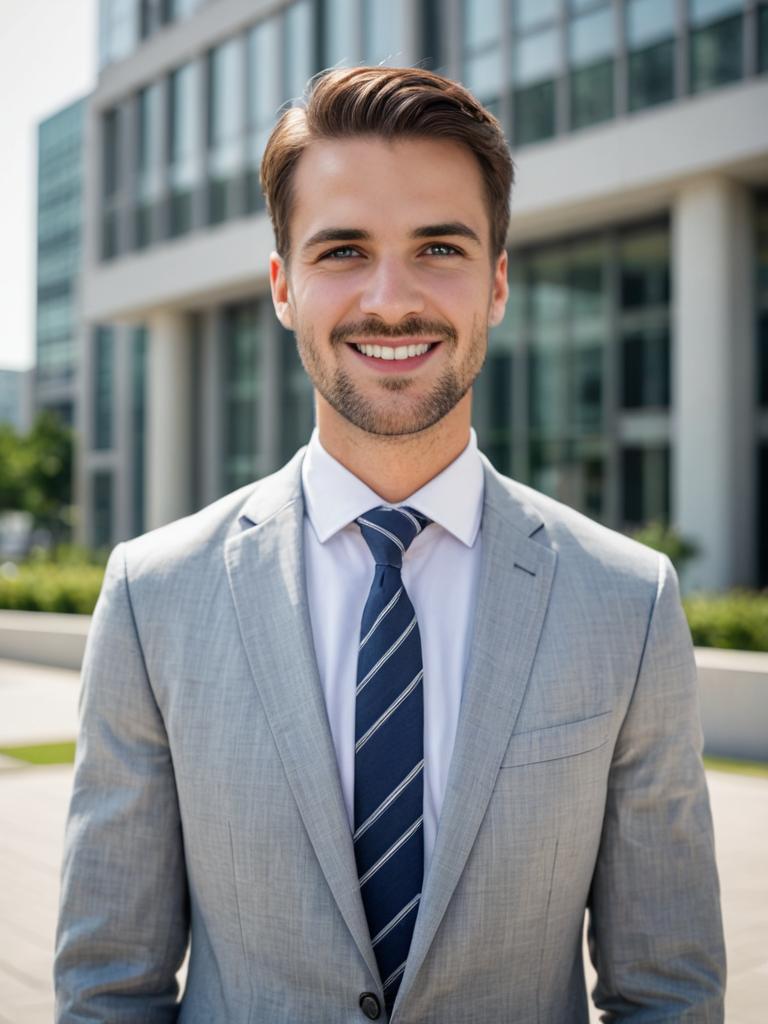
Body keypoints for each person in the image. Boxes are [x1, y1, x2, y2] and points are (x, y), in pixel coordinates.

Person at [55, 66, 726, 1023]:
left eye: (439, 247)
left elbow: (669, 992)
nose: (391, 299)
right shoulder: (151, 596)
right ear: (284, 287)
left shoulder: (630, 602)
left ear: (496, 283)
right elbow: (107, 988)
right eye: (342, 250)